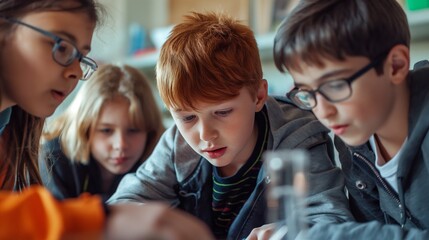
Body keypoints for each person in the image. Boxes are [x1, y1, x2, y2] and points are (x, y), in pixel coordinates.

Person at [107, 11, 352, 239]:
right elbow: (122, 205)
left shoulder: (297, 138)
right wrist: (155, 222)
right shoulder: (176, 145)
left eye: (222, 112)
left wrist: (288, 233)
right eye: (187, 118)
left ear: (258, 96)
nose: (205, 134)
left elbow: (331, 221)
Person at [0, 1, 213, 239]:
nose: (78, 72)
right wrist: (103, 219)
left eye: (81, 57)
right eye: (61, 46)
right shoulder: (52, 154)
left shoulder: (13, 132)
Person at [273, 0, 429, 239]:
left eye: (335, 86)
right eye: (307, 94)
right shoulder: (355, 140)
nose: (323, 112)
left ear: (395, 65)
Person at [39, 63, 164, 201]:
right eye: (106, 130)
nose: (120, 145)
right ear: (84, 128)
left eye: (133, 130)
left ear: (150, 131)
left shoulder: (160, 166)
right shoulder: (52, 158)